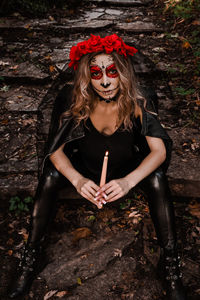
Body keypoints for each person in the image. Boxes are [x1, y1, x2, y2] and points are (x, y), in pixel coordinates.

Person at [8, 34, 187, 299]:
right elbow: (54, 152)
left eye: (112, 71)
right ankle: (30, 257)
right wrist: (78, 180)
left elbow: (159, 151)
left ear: (123, 72)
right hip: (82, 166)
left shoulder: (139, 99)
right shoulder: (72, 98)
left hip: (126, 167)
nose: (104, 81)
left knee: (157, 177)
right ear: (86, 76)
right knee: (48, 177)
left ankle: (170, 264)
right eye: (96, 73)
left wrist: (128, 181)